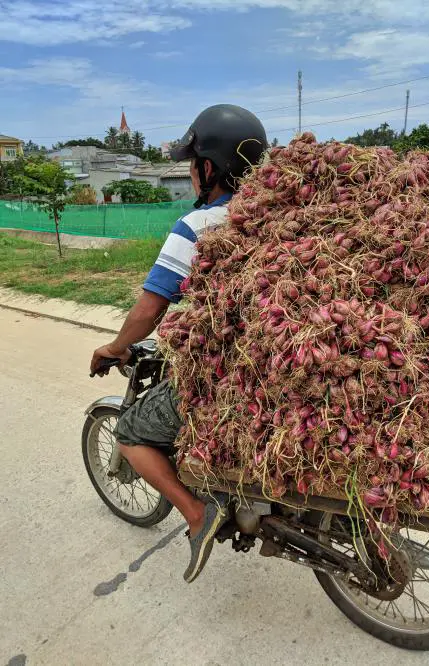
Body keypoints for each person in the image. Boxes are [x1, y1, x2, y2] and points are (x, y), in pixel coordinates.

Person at [90, 105, 268, 582]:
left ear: (209, 168)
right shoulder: (282, 214)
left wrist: (114, 346)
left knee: (130, 432)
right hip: (277, 365)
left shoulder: (200, 226)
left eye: (193, 163)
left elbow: (150, 310)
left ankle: (195, 514)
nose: (191, 173)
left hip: (229, 374)